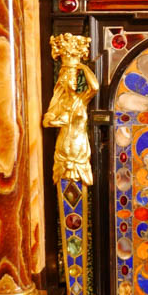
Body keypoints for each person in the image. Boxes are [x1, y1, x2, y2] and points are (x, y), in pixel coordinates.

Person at [43, 35, 99, 186]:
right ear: (64, 81)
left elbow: (94, 87)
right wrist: (55, 121)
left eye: (76, 78)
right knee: (63, 184)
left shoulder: (82, 99)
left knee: (78, 186)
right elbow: (46, 122)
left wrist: (82, 67)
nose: (73, 81)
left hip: (79, 147)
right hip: (62, 147)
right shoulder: (60, 102)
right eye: (71, 78)